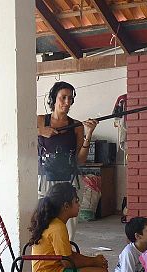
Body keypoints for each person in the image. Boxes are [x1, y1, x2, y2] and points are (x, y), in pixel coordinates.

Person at [37, 81, 98, 240]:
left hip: (69, 180)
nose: (67, 102)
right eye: (63, 97)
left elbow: (80, 160)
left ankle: (65, 253)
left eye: (70, 98)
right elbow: (20, 135)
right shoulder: (40, 121)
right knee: (43, 224)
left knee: (68, 228)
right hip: (44, 179)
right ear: (53, 99)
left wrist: (88, 134)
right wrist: (40, 131)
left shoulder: (76, 126)